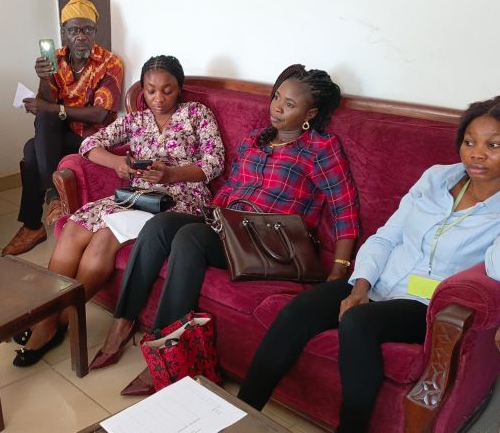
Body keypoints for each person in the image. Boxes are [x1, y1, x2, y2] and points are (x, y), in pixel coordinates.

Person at [237, 96, 500, 432]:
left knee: (358, 322)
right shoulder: (437, 179)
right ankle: (240, 413)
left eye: (493, 145)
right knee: (296, 312)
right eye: (469, 142)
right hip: (380, 281)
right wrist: (360, 286)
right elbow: (387, 237)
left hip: (426, 304)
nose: (477, 154)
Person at [91, 65, 361, 378]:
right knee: (160, 225)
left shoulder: (321, 148)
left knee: (190, 238)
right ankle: (122, 324)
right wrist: (211, 217)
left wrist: (339, 270)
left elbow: (345, 207)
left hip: (276, 244)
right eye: (276, 97)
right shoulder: (255, 140)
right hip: (234, 230)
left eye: (289, 104)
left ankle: (168, 357)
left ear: (310, 113)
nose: (277, 107)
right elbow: (231, 188)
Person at [12, 55, 224, 367]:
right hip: (136, 196)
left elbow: (214, 162)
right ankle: (48, 319)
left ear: (179, 89)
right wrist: (117, 163)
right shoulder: (136, 120)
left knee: (104, 237)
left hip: (178, 198)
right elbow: (89, 145)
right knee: (74, 227)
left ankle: (57, 321)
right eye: (150, 91)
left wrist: (172, 174)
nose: (158, 98)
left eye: (167, 90)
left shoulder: (196, 114)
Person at [2, 0, 124, 256]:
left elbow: (99, 114)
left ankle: (34, 222)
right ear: (64, 32)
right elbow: (46, 103)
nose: (80, 36)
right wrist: (44, 78)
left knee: (32, 149)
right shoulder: (55, 59)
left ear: (95, 32)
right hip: (61, 132)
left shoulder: (109, 63)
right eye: (73, 30)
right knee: (38, 133)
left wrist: (52, 109)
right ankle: (52, 198)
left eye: (87, 29)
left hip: (93, 138)